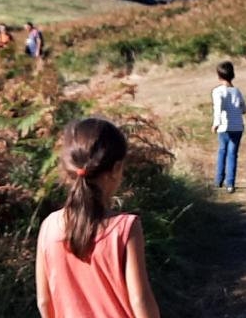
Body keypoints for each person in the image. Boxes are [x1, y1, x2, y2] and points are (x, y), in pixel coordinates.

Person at [36, 118, 161, 318]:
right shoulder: (125, 228)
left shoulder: (49, 226)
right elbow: (139, 300)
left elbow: (44, 300)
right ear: (116, 168)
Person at [211, 61, 246, 192]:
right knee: (232, 154)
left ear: (219, 76)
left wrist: (216, 123)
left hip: (224, 127)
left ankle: (218, 180)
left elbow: (218, 108)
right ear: (233, 75)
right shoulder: (237, 91)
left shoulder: (217, 92)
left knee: (222, 151)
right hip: (237, 127)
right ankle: (230, 184)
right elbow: (244, 109)